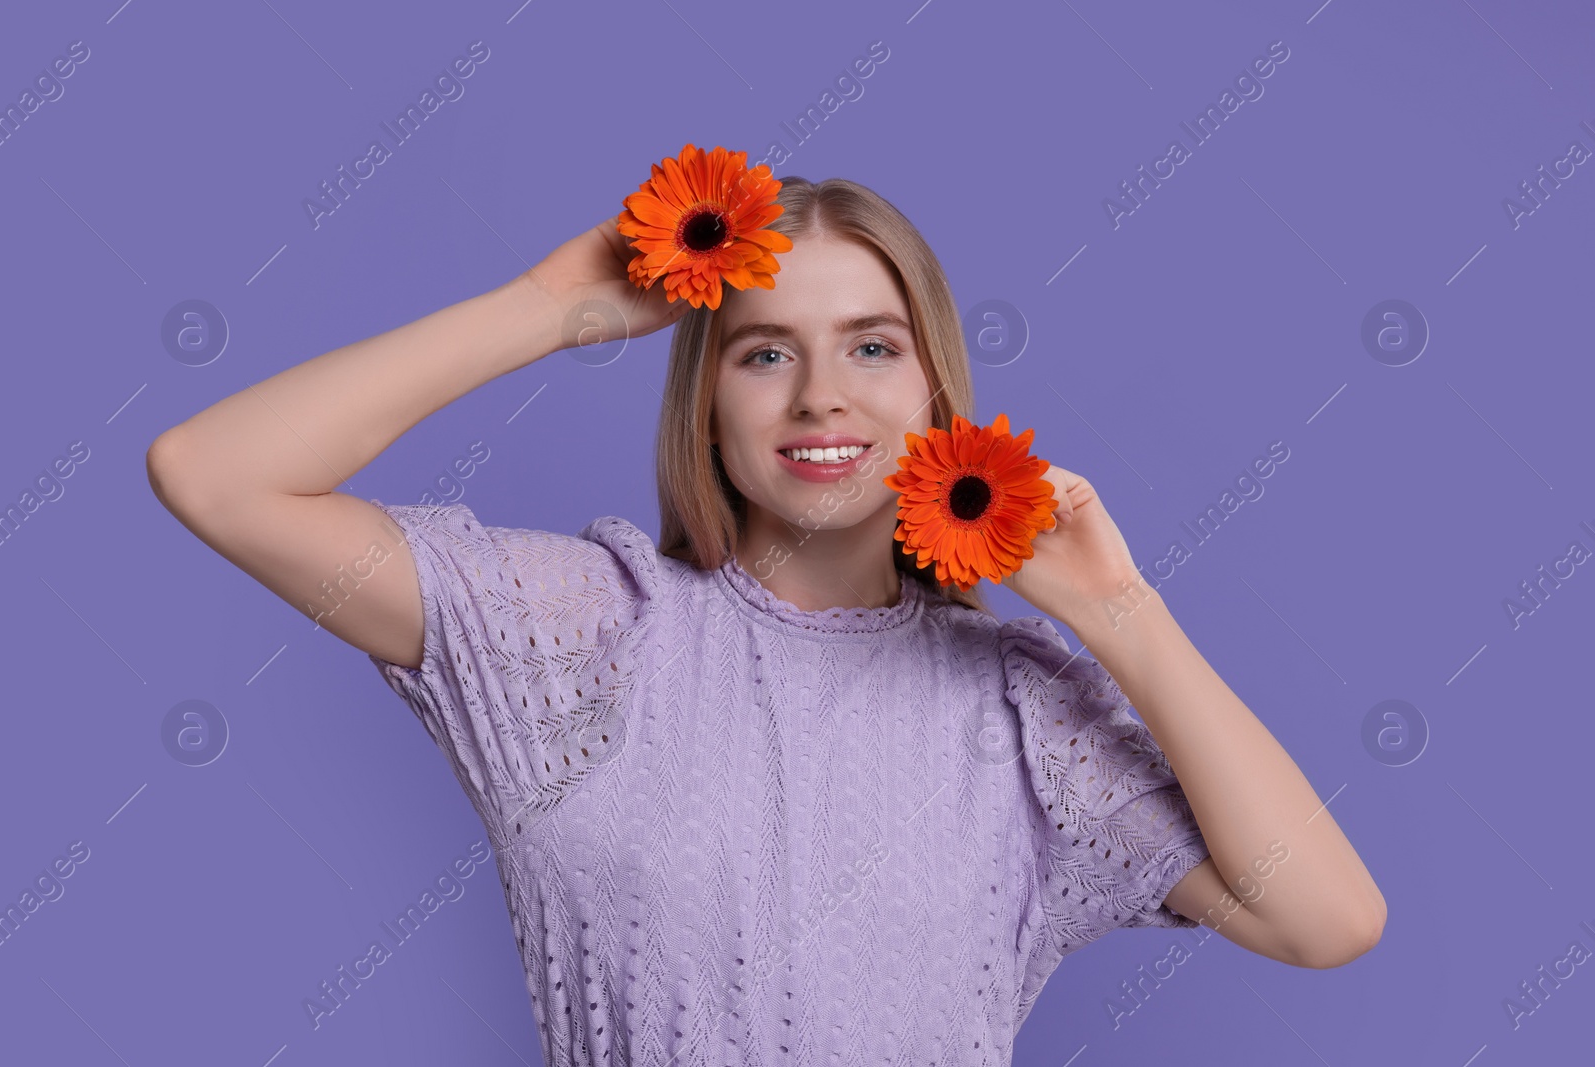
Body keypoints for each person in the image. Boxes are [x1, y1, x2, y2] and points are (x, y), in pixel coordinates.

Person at [146, 175, 1385, 1064]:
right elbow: (215, 473)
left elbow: (1323, 914)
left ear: (936, 387)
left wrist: (1119, 613)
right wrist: (545, 304)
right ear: (708, 402)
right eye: (762, 353)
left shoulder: (1019, 703)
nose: (821, 394)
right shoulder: (579, 632)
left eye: (872, 345)